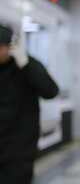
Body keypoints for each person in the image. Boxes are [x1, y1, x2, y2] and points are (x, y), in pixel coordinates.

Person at [0, 23, 59, 184]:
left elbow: (51, 91)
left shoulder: (27, 65)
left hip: (19, 150)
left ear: (9, 47)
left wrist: (27, 66)